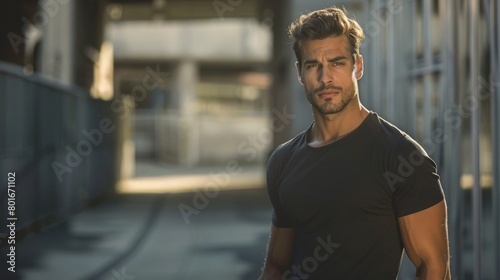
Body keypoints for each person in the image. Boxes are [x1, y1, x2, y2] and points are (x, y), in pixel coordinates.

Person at [259, 6, 450, 280]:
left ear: (357, 66)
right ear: (300, 72)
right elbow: (275, 267)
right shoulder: (283, 161)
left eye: (337, 63)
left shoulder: (400, 156)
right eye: (314, 65)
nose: (325, 78)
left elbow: (434, 268)